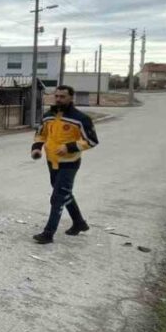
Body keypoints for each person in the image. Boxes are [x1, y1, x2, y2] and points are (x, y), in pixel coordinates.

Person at [31, 85, 99, 244]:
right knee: (64, 193)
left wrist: (70, 147)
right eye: (57, 96)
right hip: (51, 161)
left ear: (71, 98)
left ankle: (48, 233)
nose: (59, 99)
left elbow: (91, 140)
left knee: (57, 197)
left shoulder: (81, 119)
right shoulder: (48, 116)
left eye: (63, 96)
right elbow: (40, 134)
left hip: (69, 163)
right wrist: (36, 149)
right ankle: (79, 223)